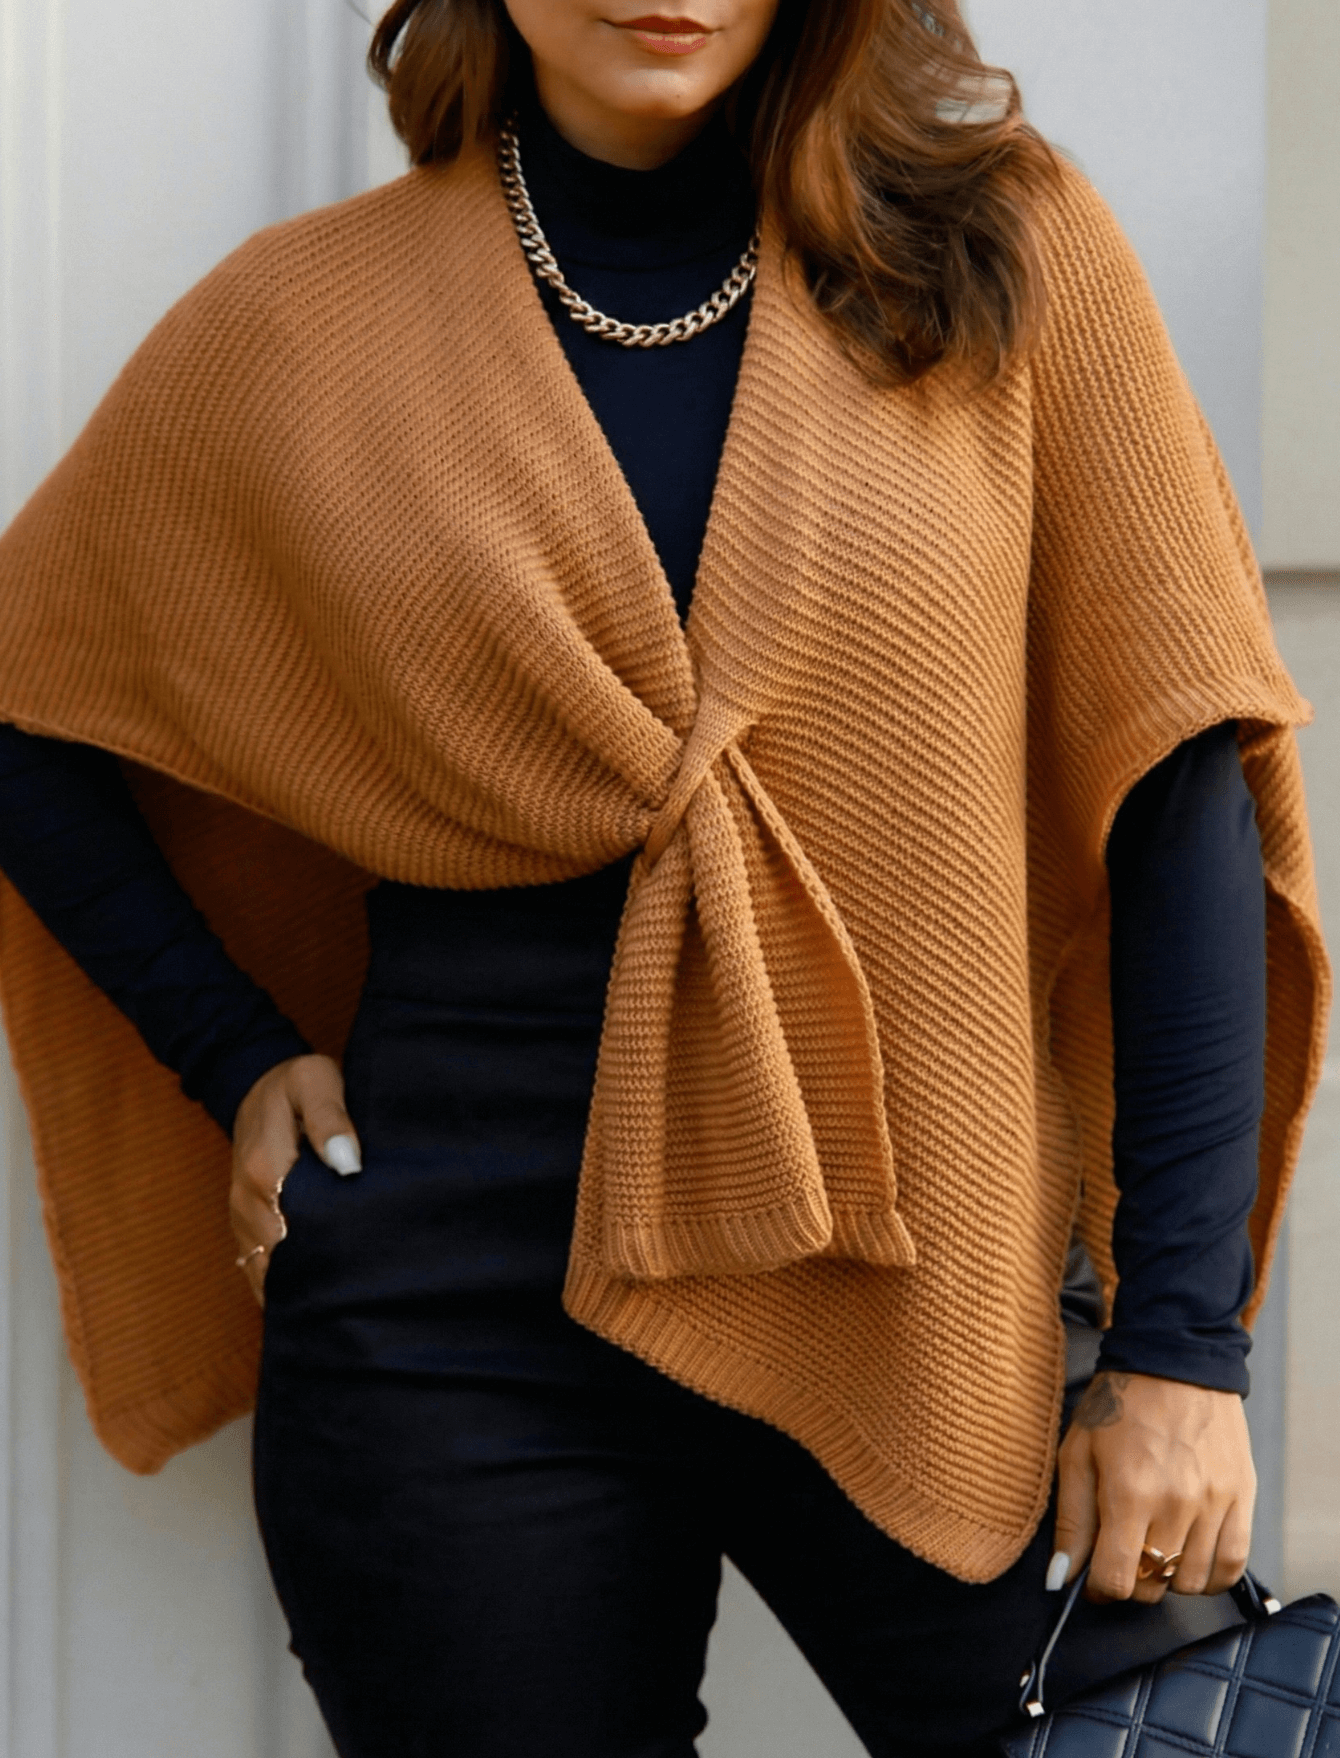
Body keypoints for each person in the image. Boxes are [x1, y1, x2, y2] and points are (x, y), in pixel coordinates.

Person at [0, 3, 1328, 1754]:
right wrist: (233, 1053)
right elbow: (33, 692)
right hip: (452, 1320)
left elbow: (1179, 799)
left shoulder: (1000, 250)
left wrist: (1181, 1350)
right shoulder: (307, 326)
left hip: (928, 1280)